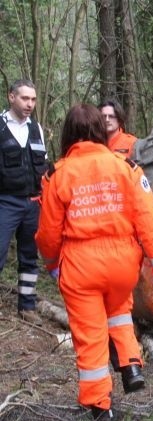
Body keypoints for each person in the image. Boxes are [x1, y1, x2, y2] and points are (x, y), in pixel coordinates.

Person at [36, 104, 153, 421]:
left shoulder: (58, 175)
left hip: (81, 266)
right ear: (100, 129)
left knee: (90, 333)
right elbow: (151, 224)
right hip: (123, 264)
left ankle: (100, 406)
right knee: (118, 312)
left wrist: (52, 263)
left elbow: (47, 234)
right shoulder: (126, 167)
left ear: (69, 133)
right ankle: (130, 364)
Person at [0, 80, 48, 325]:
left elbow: (45, 165)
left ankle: (27, 306)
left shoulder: (36, 128)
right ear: (11, 97)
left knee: (29, 256)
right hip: (5, 202)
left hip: (33, 204)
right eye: (24, 98)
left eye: (33, 99)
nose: (30, 104)